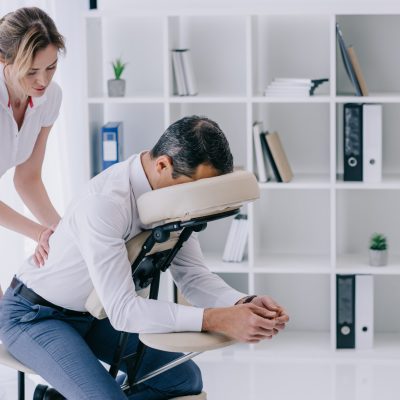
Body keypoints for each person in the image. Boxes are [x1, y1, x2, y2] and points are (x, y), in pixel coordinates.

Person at [0, 116, 289, 400]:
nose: (200, 201)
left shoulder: (179, 197)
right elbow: (124, 311)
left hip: (95, 315)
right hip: (35, 316)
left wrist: (241, 304)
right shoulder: (105, 204)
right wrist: (216, 319)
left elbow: (193, 276)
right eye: (196, 188)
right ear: (163, 165)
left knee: (183, 379)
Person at [0, 7, 65, 296]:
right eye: (31, 71)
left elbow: (27, 178)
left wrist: (62, 234)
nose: (43, 81)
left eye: (51, 67)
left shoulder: (49, 98)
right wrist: (39, 234)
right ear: (3, 60)